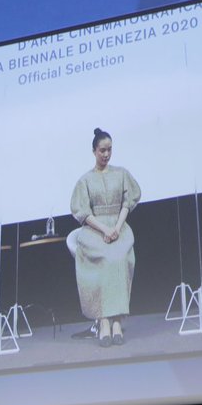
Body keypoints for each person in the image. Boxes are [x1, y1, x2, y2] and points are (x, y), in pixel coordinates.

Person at [70, 128, 141, 347]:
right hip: (95, 230)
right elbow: (82, 212)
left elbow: (128, 202)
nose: (106, 154)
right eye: (102, 150)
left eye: (109, 150)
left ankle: (117, 321)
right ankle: (103, 321)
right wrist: (104, 230)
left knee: (119, 258)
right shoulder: (86, 180)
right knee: (104, 260)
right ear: (94, 151)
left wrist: (117, 228)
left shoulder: (121, 174)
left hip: (118, 227)